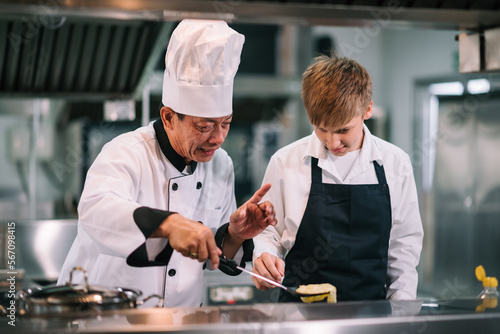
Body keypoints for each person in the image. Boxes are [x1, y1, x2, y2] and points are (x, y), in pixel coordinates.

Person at [57, 19, 276, 307]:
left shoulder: (221, 165)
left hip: (178, 320)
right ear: (169, 117)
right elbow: (95, 212)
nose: (218, 138)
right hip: (105, 317)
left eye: (226, 124)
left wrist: (234, 235)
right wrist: (170, 225)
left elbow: (214, 255)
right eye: (204, 127)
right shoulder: (127, 153)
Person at [252, 52, 424, 302]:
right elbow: (269, 231)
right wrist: (264, 254)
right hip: (298, 316)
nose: (332, 142)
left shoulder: (395, 163)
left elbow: (403, 246)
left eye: (344, 130)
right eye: (321, 128)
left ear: (368, 110)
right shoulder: (285, 162)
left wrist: (400, 311)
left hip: (373, 316)